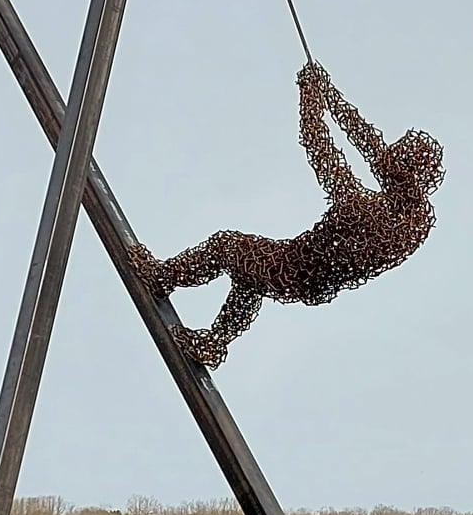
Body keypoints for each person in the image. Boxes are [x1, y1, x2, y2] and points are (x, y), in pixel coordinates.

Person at [131, 60, 445, 368]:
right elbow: (371, 146)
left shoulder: (365, 211)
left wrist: (310, 93)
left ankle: (162, 278)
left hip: (295, 266)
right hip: (309, 279)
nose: (385, 157)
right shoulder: (412, 219)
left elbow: (319, 146)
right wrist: (329, 94)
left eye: (394, 158)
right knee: (249, 279)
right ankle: (213, 342)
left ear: (403, 172)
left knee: (226, 247)